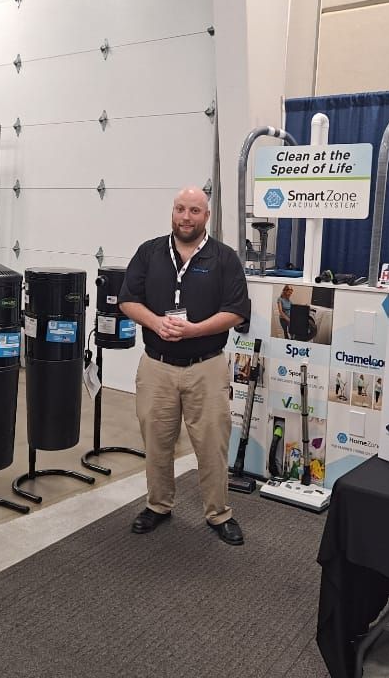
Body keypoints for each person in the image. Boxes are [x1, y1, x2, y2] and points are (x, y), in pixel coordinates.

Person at [119, 186, 250, 546]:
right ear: (172, 212)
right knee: (157, 440)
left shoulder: (224, 258)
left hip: (205, 367)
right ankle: (158, 505)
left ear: (206, 216)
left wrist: (194, 330)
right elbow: (128, 300)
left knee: (211, 443)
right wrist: (155, 322)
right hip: (156, 366)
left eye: (194, 210)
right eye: (180, 209)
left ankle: (219, 512)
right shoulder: (149, 253)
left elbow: (237, 311)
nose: (186, 217)